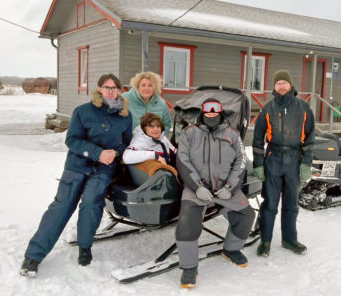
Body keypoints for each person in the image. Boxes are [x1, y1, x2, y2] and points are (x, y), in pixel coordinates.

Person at [20, 73, 132, 277]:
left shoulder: (125, 114)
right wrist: (98, 153)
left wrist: (115, 153)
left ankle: (85, 247)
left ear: (119, 90)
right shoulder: (83, 112)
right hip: (77, 166)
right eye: (106, 87)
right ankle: (33, 256)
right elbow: (72, 140)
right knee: (61, 206)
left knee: (91, 203)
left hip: (104, 169)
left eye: (114, 87)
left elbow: (127, 143)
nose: (110, 91)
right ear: (99, 90)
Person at [175, 98, 255, 288]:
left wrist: (230, 187)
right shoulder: (189, 133)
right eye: (208, 110)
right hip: (198, 188)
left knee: (246, 215)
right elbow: (182, 160)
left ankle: (231, 249)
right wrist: (197, 187)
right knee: (187, 223)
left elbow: (240, 162)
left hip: (225, 187)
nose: (211, 113)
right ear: (202, 112)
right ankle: (189, 267)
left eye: (215, 109)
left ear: (221, 112)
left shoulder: (233, 135)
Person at [252, 70, 315, 257]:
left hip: (294, 160)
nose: (281, 86)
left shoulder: (303, 108)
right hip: (273, 159)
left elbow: (311, 138)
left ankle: (289, 239)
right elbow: (257, 139)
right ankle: (265, 241)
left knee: (291, 203)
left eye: (284, 83)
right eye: (278, 83)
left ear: (290, 85)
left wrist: (306, 164)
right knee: (270, 203)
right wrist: (258, 164)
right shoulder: (268, 108)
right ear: (274, 86)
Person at [122, 112, 177, 185]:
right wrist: (155, 155)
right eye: (151, 126)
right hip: (152, 178)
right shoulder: (139, 141)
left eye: (158, 126)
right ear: (144, 128)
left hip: (168, 170)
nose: (155, 129)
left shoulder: (162, 138)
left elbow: (174, 151)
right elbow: (126, 157)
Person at [123, 71, 172, 136]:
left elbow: (166, 124)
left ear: (155, 87)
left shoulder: (161, 104)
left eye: (150, 85)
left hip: (153, 143)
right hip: (129, 142)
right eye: (143, 85)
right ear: (137, 86)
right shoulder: (125, 98)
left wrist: (159, 139)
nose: (146, 88)